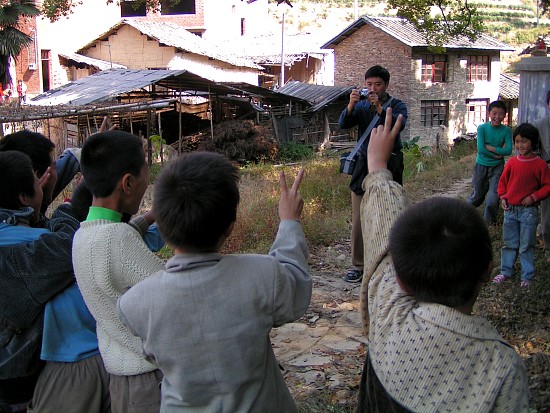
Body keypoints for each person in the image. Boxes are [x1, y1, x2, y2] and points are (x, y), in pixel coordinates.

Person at [355, 108, 529, 412]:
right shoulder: (501, 368)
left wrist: (378, 167)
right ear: (488, 270)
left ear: (398, 280)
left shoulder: (389, 314)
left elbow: (383, 231)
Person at [117, 152, 312, 412]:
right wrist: (289, 223)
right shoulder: (263, 275)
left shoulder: (133, 304)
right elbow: (295, 283)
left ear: (160, 228)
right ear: (230, 227)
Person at [29, 181, 165, 413]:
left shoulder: (78, 241)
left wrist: (152, 216)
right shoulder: (114, 244)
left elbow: (128, 234)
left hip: (94, 359)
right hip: (93, 364)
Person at [72, 130, 165, 413]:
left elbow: (113, 244)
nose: (146, 183)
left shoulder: (82, 235)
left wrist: (148, 218)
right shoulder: (118, 241)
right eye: (146, 175)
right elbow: (174, 289)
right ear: (127, 183)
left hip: (120, 376)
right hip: (148, 379)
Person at [0, 151, 81, 412]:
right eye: (37, 182)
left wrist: (39, 204)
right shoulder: (20, 253)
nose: (42, 184)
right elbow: (68, 248)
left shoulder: (11, 235)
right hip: (16, 388)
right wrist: (68, 208)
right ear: (23, 197)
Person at [338, 64, 408, 283]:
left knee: (389, 211)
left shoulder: (397, 105)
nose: (373, 88)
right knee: (359, 216)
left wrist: (379, 109)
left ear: (386, 85)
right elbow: (343, 123)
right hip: (362, 165)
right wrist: (351, 104)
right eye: (369, 84)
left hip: (389, 164)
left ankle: (389, 262)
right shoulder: (360, 106)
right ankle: (359, 265)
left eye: (377, 84)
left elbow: (399, 125)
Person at [493, 123, 550, 288]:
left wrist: (534, 197)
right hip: (510, 210)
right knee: (509, 243)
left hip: (528, 212)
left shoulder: (540, 165)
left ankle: (527, 276)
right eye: (517, 142)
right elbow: (502, 182)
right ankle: (505, 271)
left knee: (526, 245)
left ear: (533, 142)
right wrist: (503, 197)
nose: (520, 145)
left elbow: (547, 186)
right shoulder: (512, 162)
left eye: (524, 141)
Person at [467, 100, 513, 225]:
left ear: (505, 115)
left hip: (497, 167)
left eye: (501, 114)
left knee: (493, 198)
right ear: (489, 113)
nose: (497, 117)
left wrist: (492, 148)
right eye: (494, 113)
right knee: (477, 196)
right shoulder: (482, 128)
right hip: (481, 166)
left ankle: (488, 223)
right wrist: (498, 154)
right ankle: (462, 214)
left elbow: (508, 150)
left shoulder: (506, 131)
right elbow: (481, 149)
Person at [532, 90, 550, 262]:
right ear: (548, 104)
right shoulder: (540, 124)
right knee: (547, 214)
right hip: (548, 173)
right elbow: (534, 151)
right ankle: (548, 247)